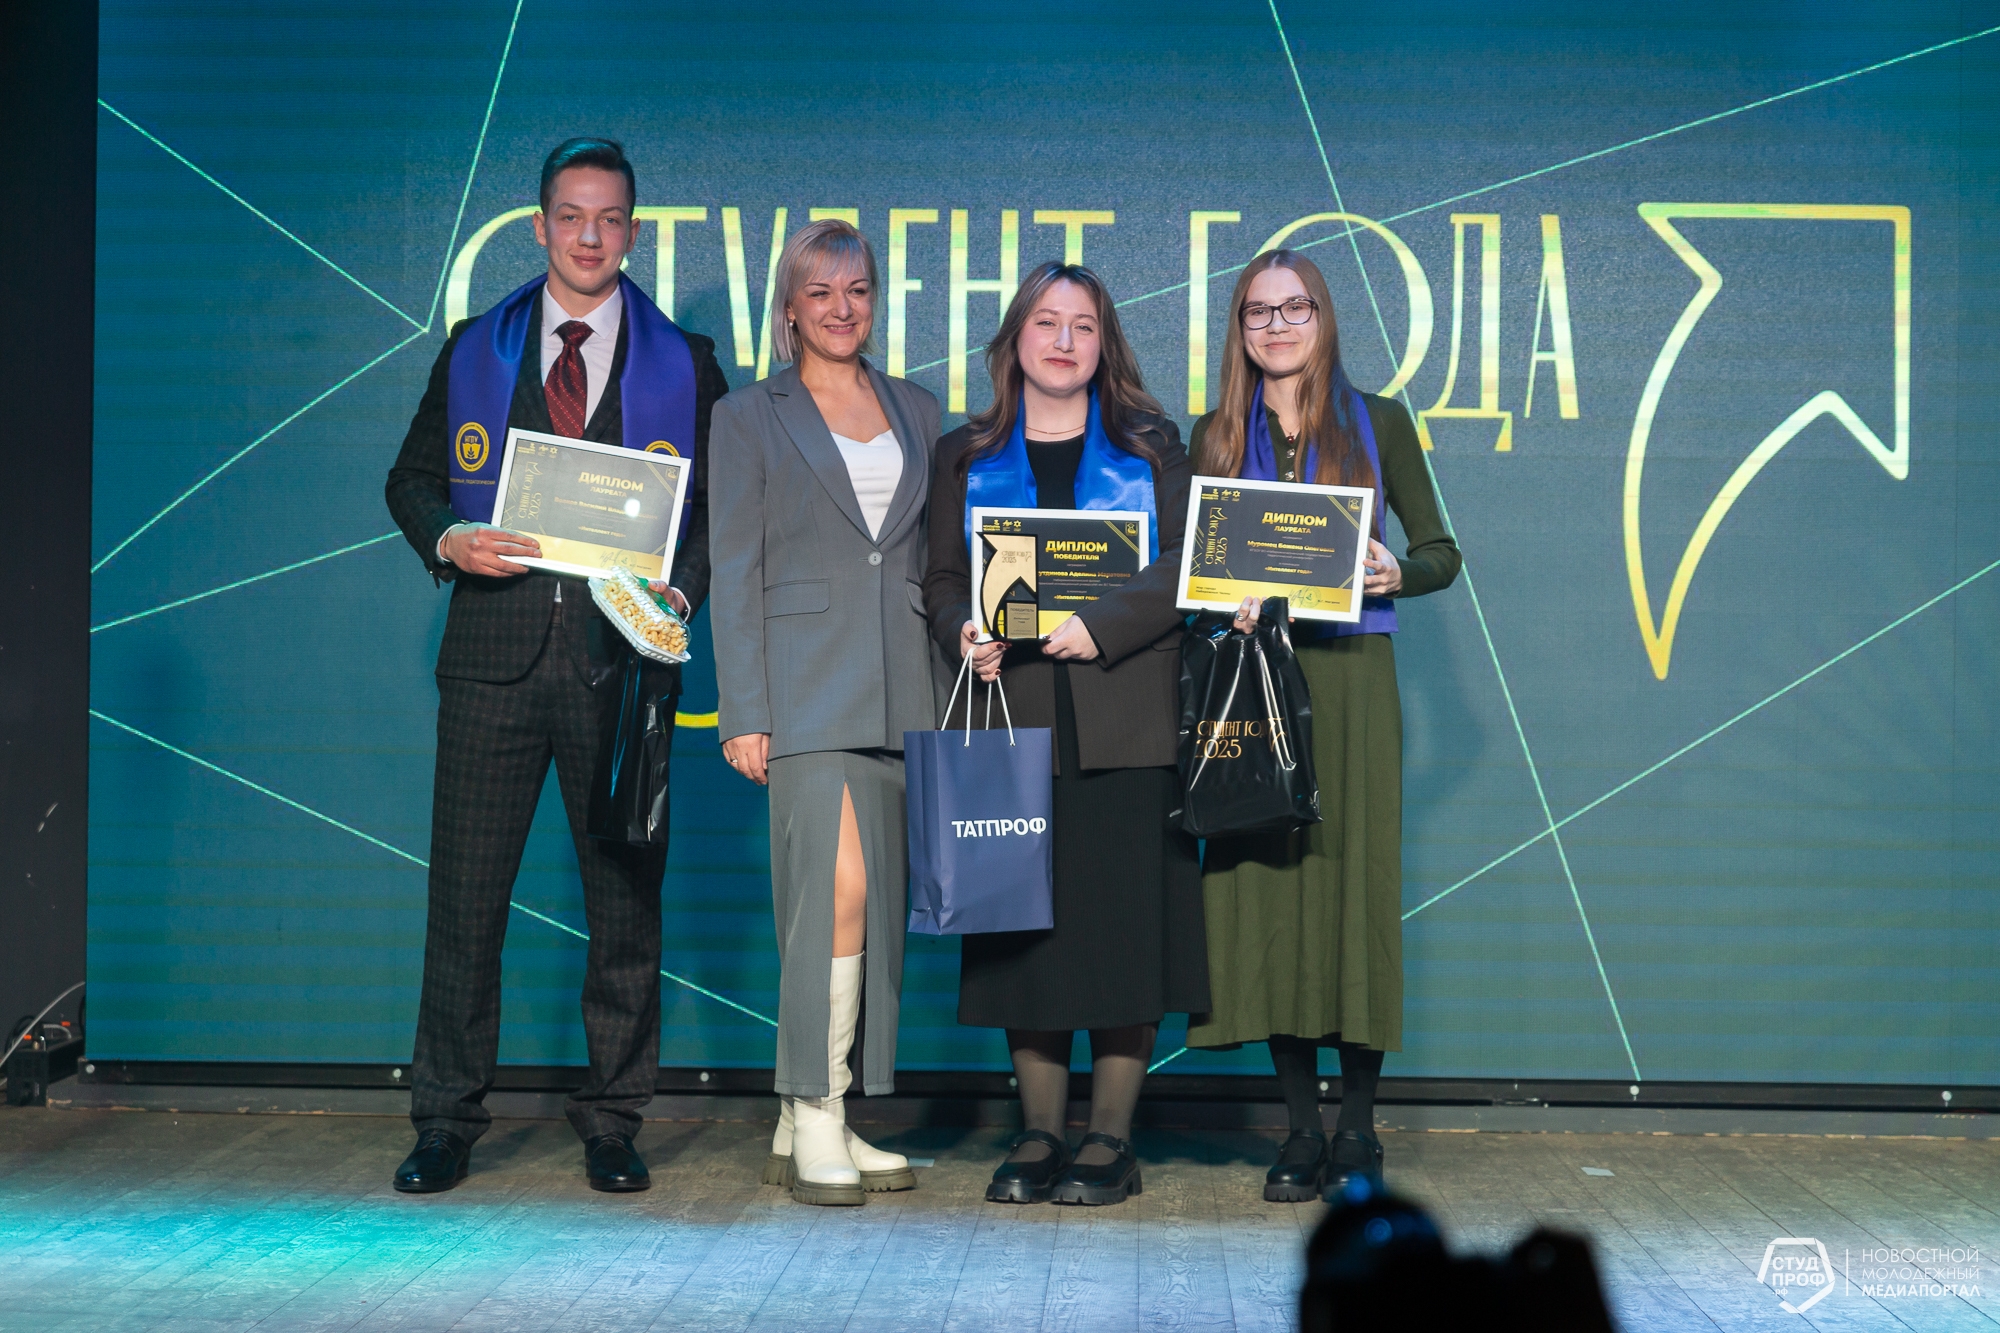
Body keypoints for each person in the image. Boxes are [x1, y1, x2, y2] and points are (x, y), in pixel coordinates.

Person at [383, 138, 730, 1193]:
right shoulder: (473, 349)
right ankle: (445, 1117)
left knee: (624, 905)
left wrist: (680, 592)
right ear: (539, 226)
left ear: (633, 231)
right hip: (490, 665)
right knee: (465, 906)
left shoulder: (687, 362)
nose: (589, 236)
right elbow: (410, 481)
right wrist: (451, 538)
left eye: (609, 218)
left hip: (620, 669)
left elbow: (716, 513)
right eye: (571, 216)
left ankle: (614, 1117)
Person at [925, 262, 1209, 1207]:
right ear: (1016, 338)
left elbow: (1189, 562)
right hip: (1013, 714)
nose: (1063, 341)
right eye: (1046, 322)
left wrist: (1105, 623)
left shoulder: (1152, 447)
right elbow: (938, 578)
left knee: (1123, 929)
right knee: (1025, 933)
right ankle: (1040, 1131)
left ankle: (1111, 1138)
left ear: (1104, 344)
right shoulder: (963, 453)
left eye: (1083, 326)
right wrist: (962, 629)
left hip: (1127, 712)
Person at [1184, 249, 1461, 1201]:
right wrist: (1217, 601)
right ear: (1239, 327)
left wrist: (1395, 571)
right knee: (1273, 895)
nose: (1277, 325)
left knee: (1353, 892)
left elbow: (1442, 553)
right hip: (1256, 681)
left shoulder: (1381, 422)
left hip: (1353, 685)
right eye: (1258, 311)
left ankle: (1357, 1130)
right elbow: (1191, 575)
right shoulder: (1216, 432)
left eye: (1294, 307)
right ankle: (1300, 1129)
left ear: (1324, 316)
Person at [709, 219, 940, 1207]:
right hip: (803, 689)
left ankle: (815, 1111)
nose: (841, 307)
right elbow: (734, 565)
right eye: (820, 291)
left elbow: (926, 554)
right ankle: (813, 1106)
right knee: (836, 894)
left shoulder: (919, 407)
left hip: (905, 685)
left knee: (869, 904)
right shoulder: (745, 415)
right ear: (789, 307)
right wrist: (743, 708)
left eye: (858, 289)